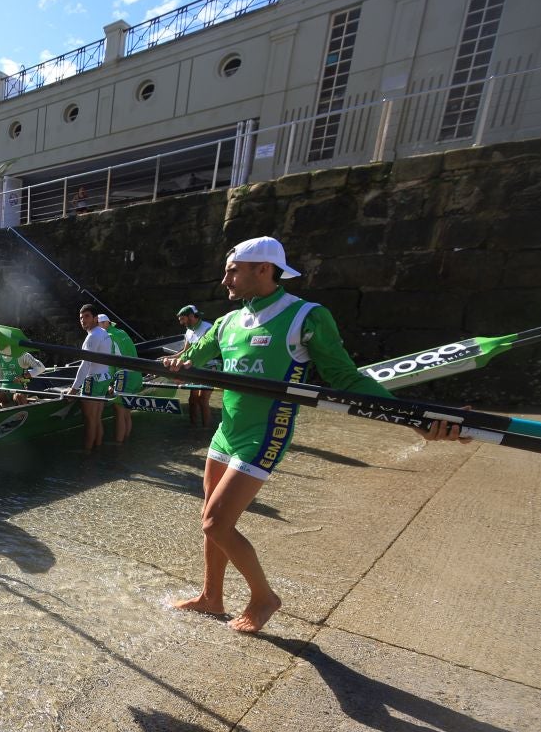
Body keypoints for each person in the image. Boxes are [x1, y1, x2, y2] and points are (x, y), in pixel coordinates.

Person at [161, 236, 463, 635]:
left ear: (263, 269)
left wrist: (416, 419)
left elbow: (344, 378)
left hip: (265, 432)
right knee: (209, 518)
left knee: (216, 525)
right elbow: (193, 359)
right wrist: (177, 364)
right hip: (226, 432)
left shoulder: (306, 316)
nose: (225, 280)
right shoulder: (228, 322)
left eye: (233, 270)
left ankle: (264, 597)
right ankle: (211, 597)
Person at [68, 304, 113, 453]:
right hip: (104, 377)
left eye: (86, 316)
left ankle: (87, 454)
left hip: (93, 380)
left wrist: (74, 389)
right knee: (97, 418)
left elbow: (85, 365)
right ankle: (97, 448)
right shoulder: (104, 333)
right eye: (81, 318)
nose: (83, 320)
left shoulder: (92, 336)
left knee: (89, 420)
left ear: (95, 318)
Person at [98, 314, 140, 443]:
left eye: (98, 325)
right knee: (126, 412)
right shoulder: (121, 332)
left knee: (119, 410)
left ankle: (118, 446)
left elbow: (110, 363)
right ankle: (126, 442)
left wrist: (108, 383)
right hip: (136, 374)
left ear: (105, 323)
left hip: (124, 375)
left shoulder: (109, 336)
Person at [176, 305, 215, 427]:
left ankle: (205, 430)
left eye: (183, 319)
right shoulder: (188, 331)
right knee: (192, 400)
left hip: (210, 368)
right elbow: (185, 352)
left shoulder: (208, 328)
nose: (182, 322)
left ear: (191, 316)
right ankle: (193, 428)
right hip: (194, 367)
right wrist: (168, 358)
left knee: (203, 400)